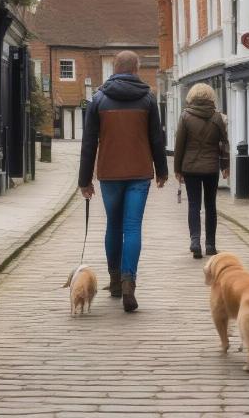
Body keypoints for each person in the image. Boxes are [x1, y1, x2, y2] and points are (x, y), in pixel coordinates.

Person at [79, 50, 168, 312]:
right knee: (133, 227)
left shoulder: (98, 99)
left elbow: (88, 143)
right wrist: (162, 170)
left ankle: (115, 281)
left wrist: (84, 180)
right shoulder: (148, 99)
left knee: (113, 226)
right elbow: (156, 139)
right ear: (137, 69)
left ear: (114, 69)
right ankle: (130, 282)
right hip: (140, 172)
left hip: (109, 173)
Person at [174, 83, 229, 259]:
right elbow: (224, 143)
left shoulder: (185, 116)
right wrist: (225, 165)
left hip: (190, 168)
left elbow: (179, 145)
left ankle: (195, 241)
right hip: (211, 167)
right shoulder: (218, 117)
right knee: (211, 206)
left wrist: (177, 169)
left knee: (194, 205)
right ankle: (211, 245)